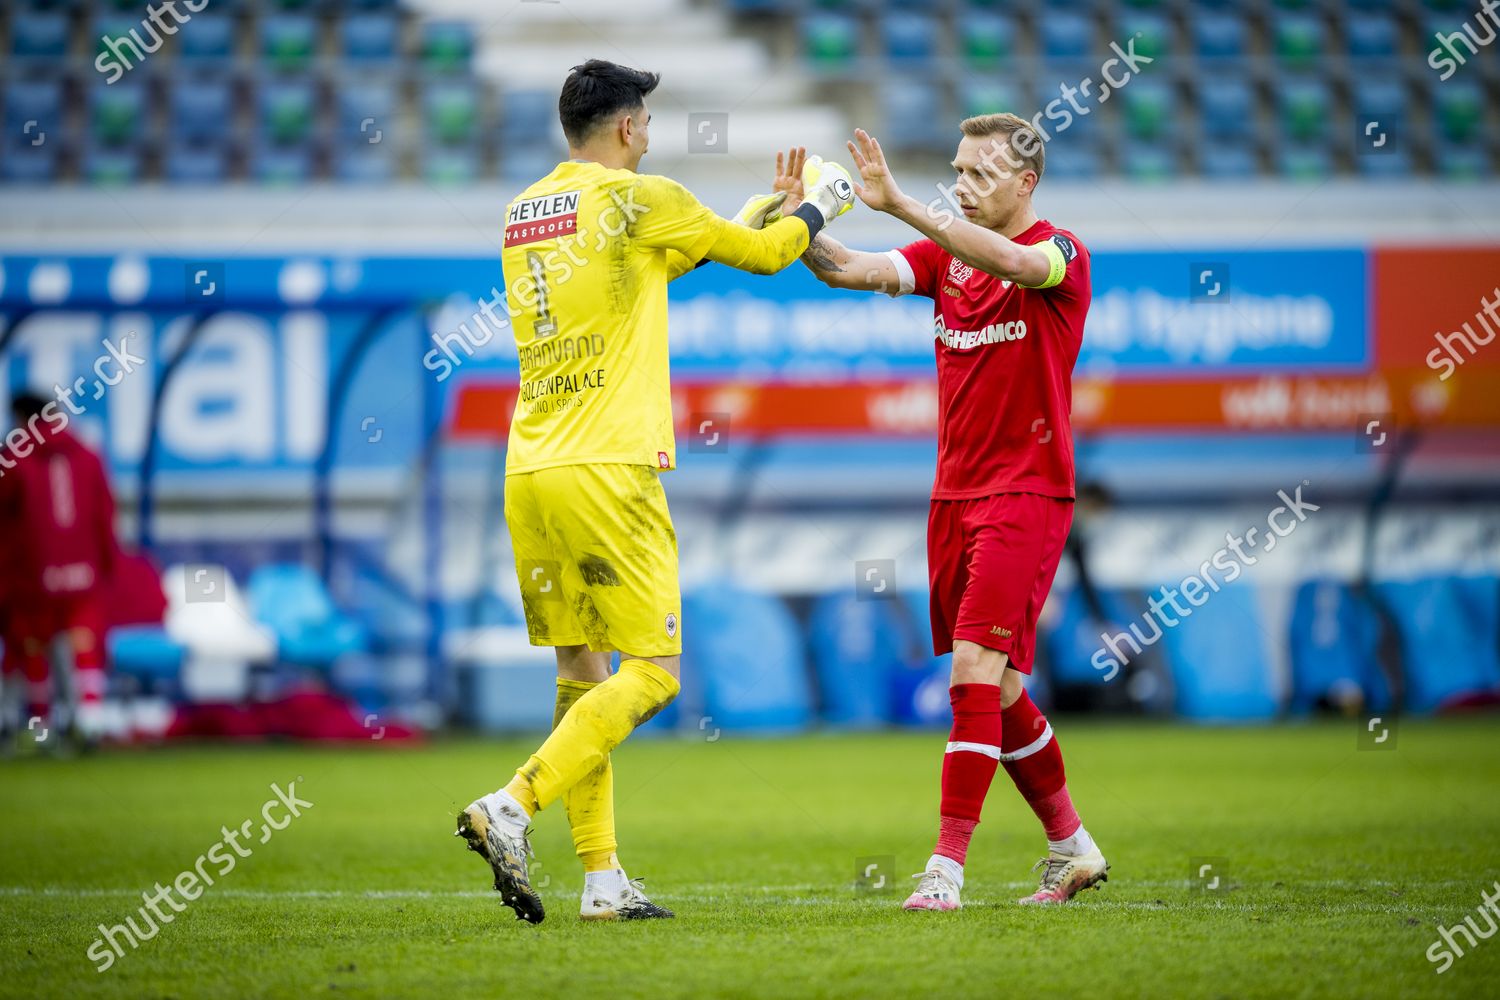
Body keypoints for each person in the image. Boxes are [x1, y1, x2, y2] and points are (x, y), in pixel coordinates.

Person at [455, 59, 856, 924]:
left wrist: (749, 215)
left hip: (531, 467)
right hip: (610, 466)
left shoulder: (528, 210)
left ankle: (601, 880)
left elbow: (652, 270)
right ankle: (512, 806)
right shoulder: (643, 195)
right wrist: (824, 204)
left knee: (580, 670)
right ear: (631, 127)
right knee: (656, 673)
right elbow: (761, 258)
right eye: (647, 119)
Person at [789, 115, 1107, 910]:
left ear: (1026, 183)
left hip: (1026, 494)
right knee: (993, 690)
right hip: (953, 497)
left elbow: (1009, 258)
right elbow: (845, 272)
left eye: (980, 173)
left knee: (971, 671)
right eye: (958, 169)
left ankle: (945, 870)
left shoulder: (1061, 255)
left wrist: (900, 201)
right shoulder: (946, 260)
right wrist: (798, 224)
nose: (962, 185)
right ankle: (1072, 846)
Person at [0, 391, 119, 746]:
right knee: (83, 643)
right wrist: (106, 565)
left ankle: (41, 730)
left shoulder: (15, 458)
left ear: (22, 418)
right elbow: (104, 514)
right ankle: (90, 721)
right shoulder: (87, 454)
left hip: (31, 575)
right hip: (83, 571)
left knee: (32, 647)